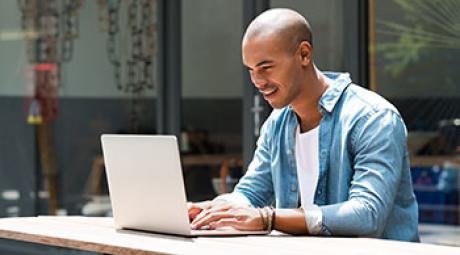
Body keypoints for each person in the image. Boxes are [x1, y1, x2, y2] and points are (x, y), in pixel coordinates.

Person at [188, 8, 419, 242]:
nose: (257, 81)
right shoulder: (277, 125)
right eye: (251, 70)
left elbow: (367, 213)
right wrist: (212, 210)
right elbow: (250, 193)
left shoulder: (372, 118)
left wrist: (268, 218)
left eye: (266, 67)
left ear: (304, 54)